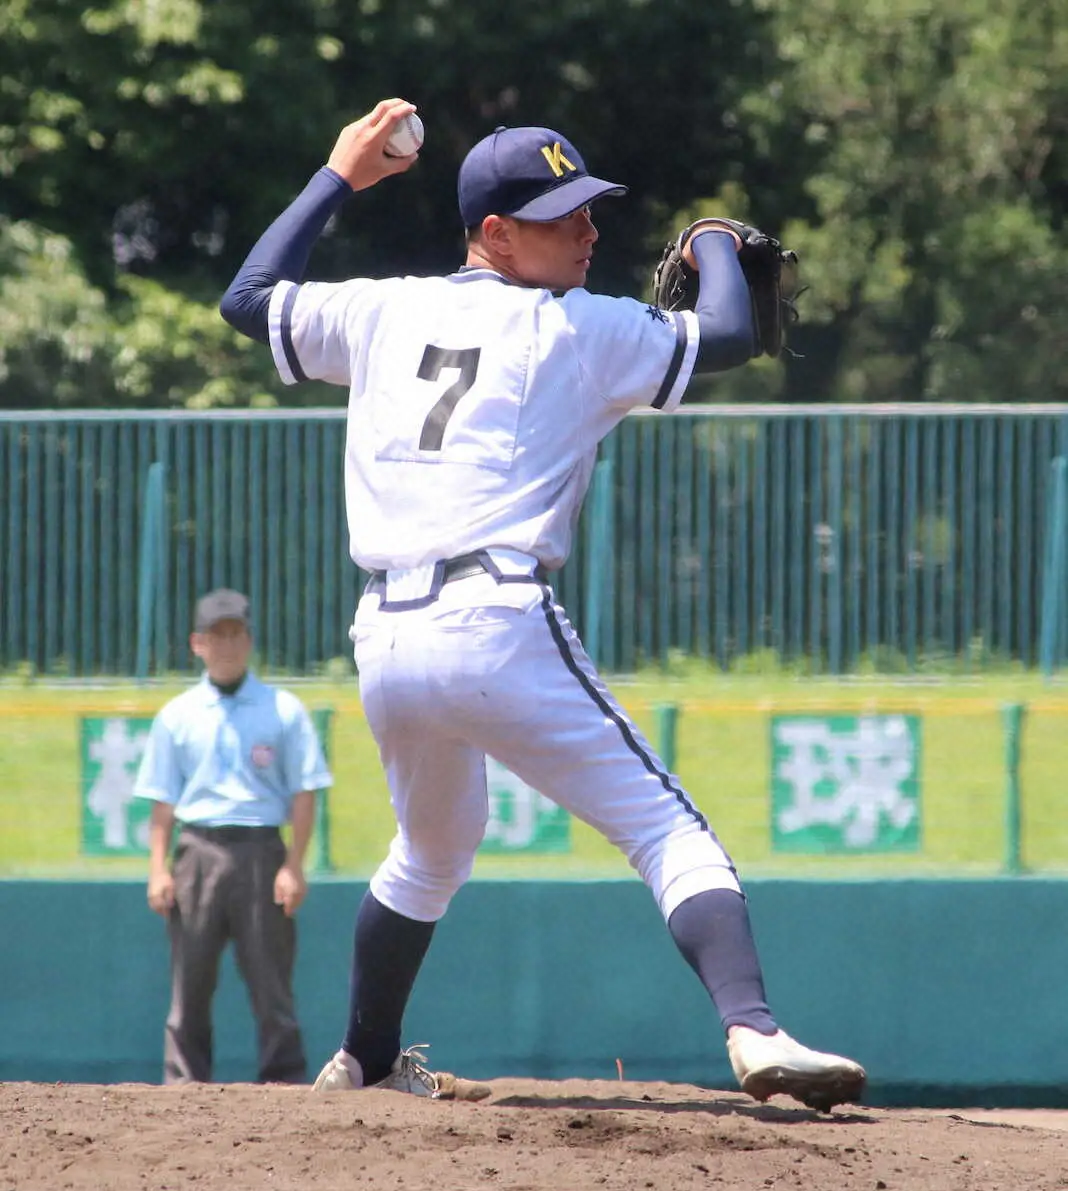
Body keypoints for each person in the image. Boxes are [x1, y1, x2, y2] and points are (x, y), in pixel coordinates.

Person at [219, 98, 867, 1111]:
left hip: (387, 640)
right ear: (495, 233)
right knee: (667, 828)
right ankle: (754, 1029)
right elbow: (732, 331)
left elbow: (249, 297)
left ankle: (365, 1062)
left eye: (589, 210)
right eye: (563, 217)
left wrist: (339, 174)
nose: (589, 231)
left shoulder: (382, 310)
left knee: (429, 853)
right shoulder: (578, 325)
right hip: (495, 618)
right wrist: (711, 241)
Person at [135, 588, 333, 1085]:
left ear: (249, 640)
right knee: (190, 984)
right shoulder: (177, 715)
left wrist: (294, 865)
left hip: (261, 850)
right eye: (216, 635)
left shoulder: (282, 710)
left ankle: (284, 1079)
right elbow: (163, 801)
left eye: (235, 634)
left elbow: (304, 792)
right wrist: (158, 869)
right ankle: (184, 1082)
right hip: (197, 850)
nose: (226, 645)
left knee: (271, 983)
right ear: (197, 644)